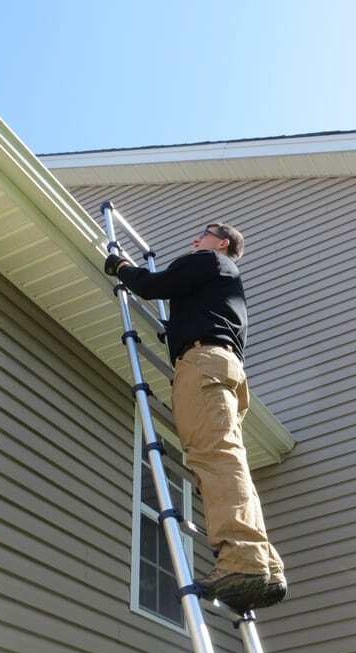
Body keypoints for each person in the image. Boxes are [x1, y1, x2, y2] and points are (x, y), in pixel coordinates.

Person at [105, 222, 286, 612]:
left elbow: (154, 286)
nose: (194, 240)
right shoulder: (221, 284)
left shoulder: (208, 261)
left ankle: (243, 560)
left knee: (213, 457)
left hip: (203, 364)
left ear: (221, 243)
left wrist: (121, 267)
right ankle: (265, 563)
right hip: (225, 368)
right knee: (227, 459)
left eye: (202, 235)